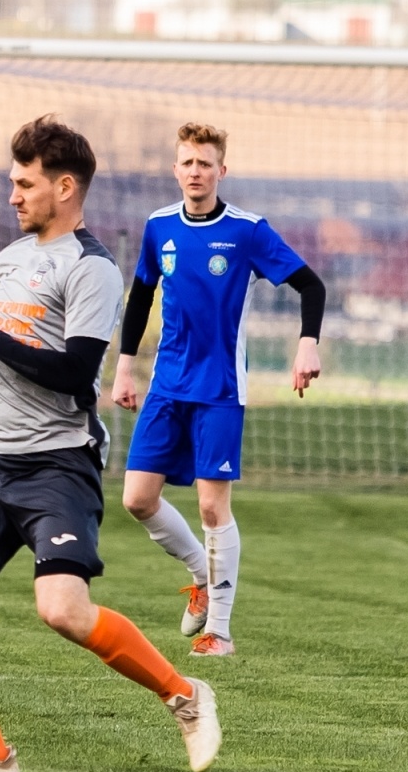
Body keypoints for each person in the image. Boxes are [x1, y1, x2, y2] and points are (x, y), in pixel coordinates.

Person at [0, 116, 220, 772]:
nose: (14, 197)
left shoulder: (93, 270)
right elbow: (26, 361)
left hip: (60, 464)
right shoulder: (12, 258)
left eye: (25, 184)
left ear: (65, 186)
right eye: (11, 183)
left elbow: (75, 372)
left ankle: (186, 697)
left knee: (62, 611)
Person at [112, 123, 326, 656]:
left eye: (204, 164)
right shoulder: (158, 226)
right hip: (166, 385)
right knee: (137, 499)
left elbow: (310, 284)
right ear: (176, 168)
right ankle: (199, 575)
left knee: (212, 509)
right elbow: (139, 296)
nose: (194, 172)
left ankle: (220, 633)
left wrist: (307, 344)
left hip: (221, 390)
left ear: (221, 171)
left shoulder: (248, 231)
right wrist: (122, 367)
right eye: (186, 162)